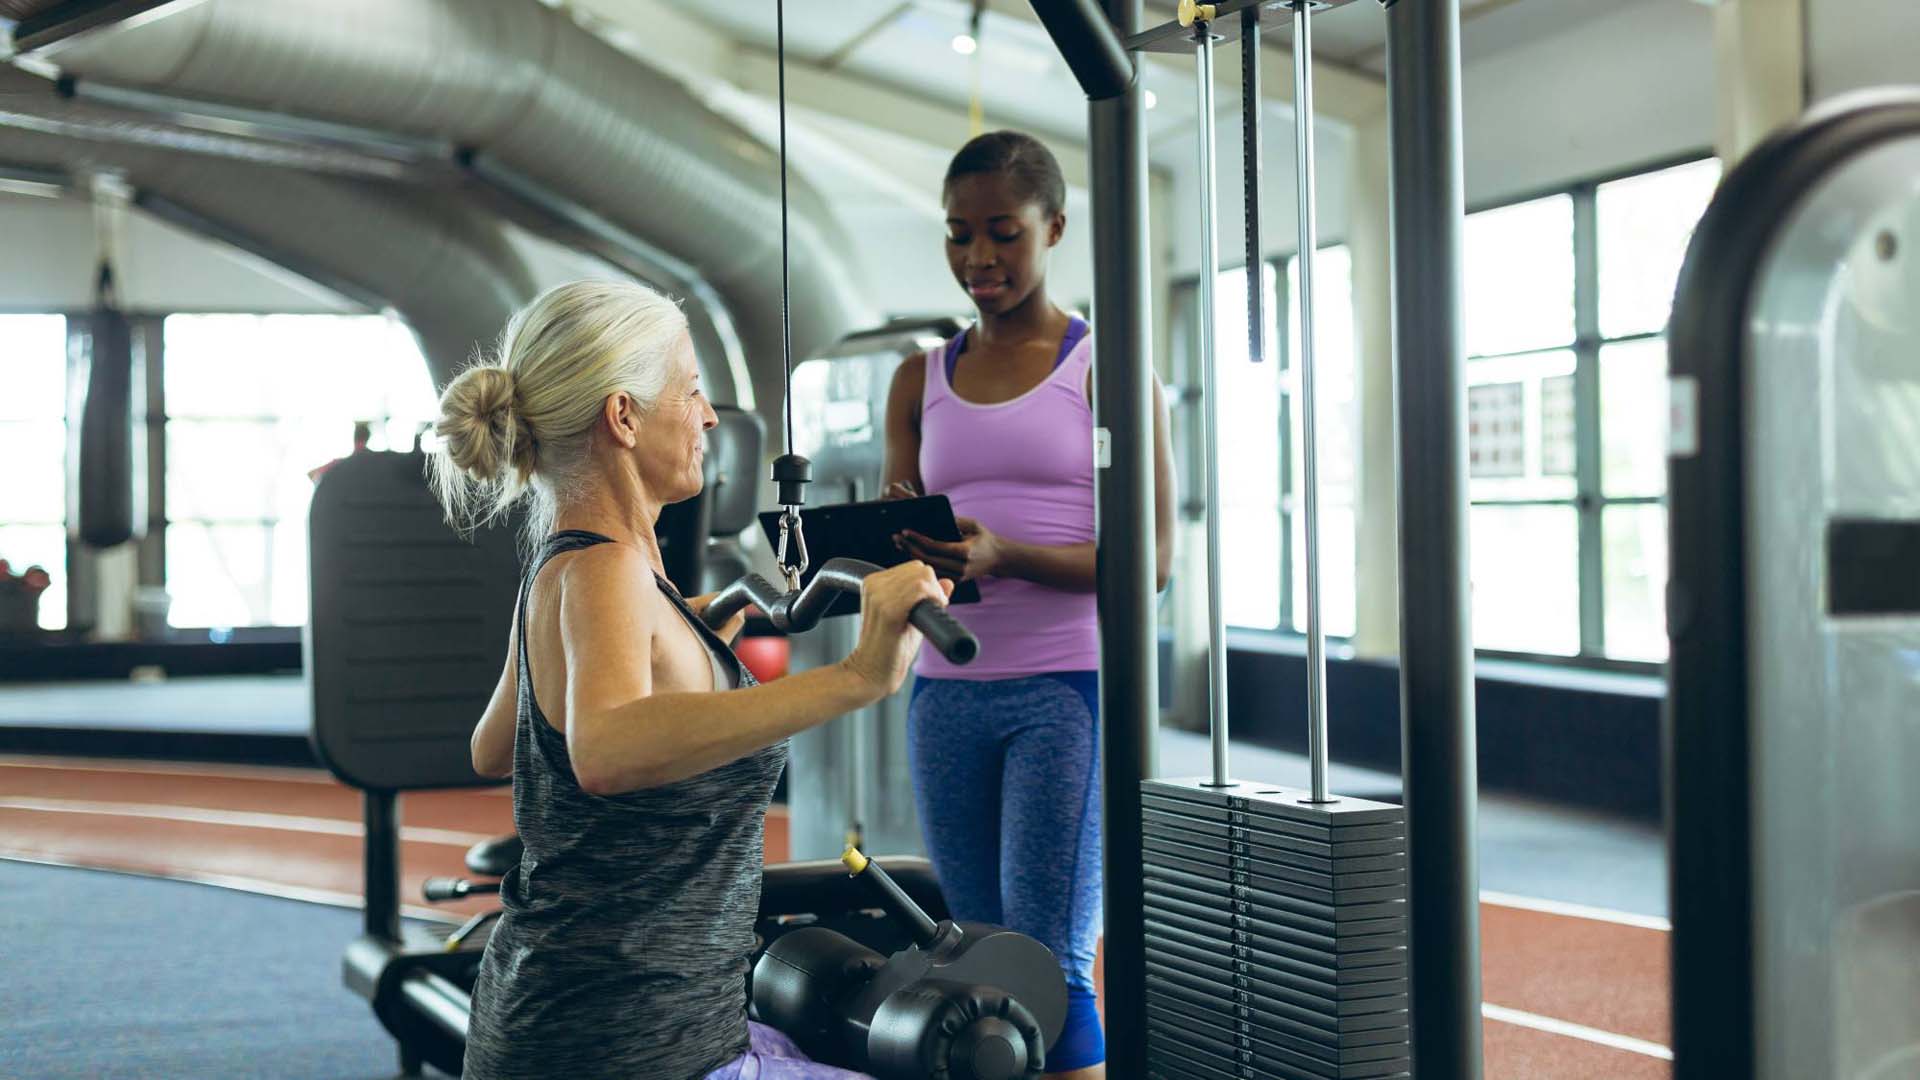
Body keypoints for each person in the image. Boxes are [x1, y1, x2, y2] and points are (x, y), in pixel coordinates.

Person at [429, 279, 950, 1080]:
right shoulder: (605, 572)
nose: (708, 417)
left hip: (552, 1023)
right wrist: (857, 676)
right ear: (624, 416)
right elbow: (601, 751)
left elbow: (497, 745)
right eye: (694, 392)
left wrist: (679, 637)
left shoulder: (563, 567)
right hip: (629, 1044)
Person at [882, 130, 1177, 1080]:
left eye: (1004, 233)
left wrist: (1008, 554)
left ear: (1054, 226)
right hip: (946, 694)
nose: (979, 258)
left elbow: (1155, 559)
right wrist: (901, 545)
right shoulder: (916, 378)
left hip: (1065, 691)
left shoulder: (1106, 370)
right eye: (959, 235)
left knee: (1047, 970)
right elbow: (901, 528)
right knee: (976, 964)